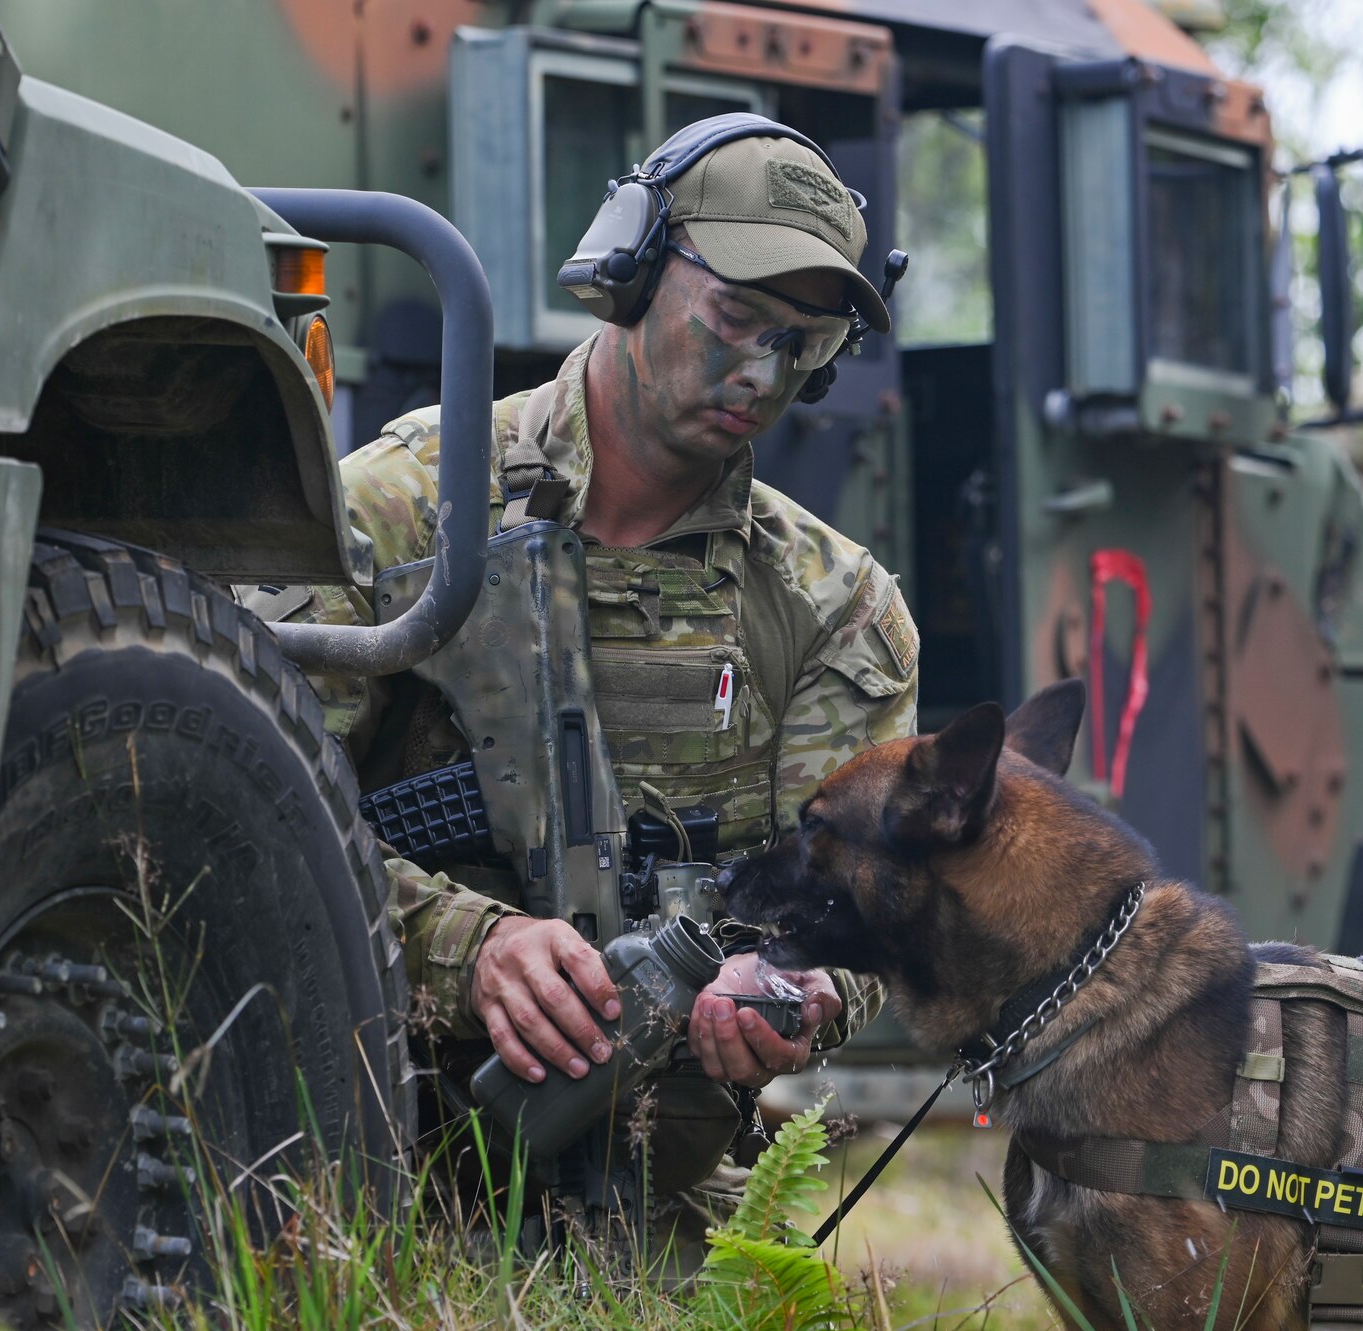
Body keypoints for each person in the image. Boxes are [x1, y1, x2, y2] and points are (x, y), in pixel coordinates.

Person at [263, 124, 916, 1265]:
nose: (760, 373)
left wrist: (793, 979)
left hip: (652, 1213)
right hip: (338, 1186)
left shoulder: (833, 605)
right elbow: (250, 819)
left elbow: (863, 906)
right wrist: (467, 945)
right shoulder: (404, 508)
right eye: (731, 320)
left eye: (799, 342)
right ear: (628, 268)